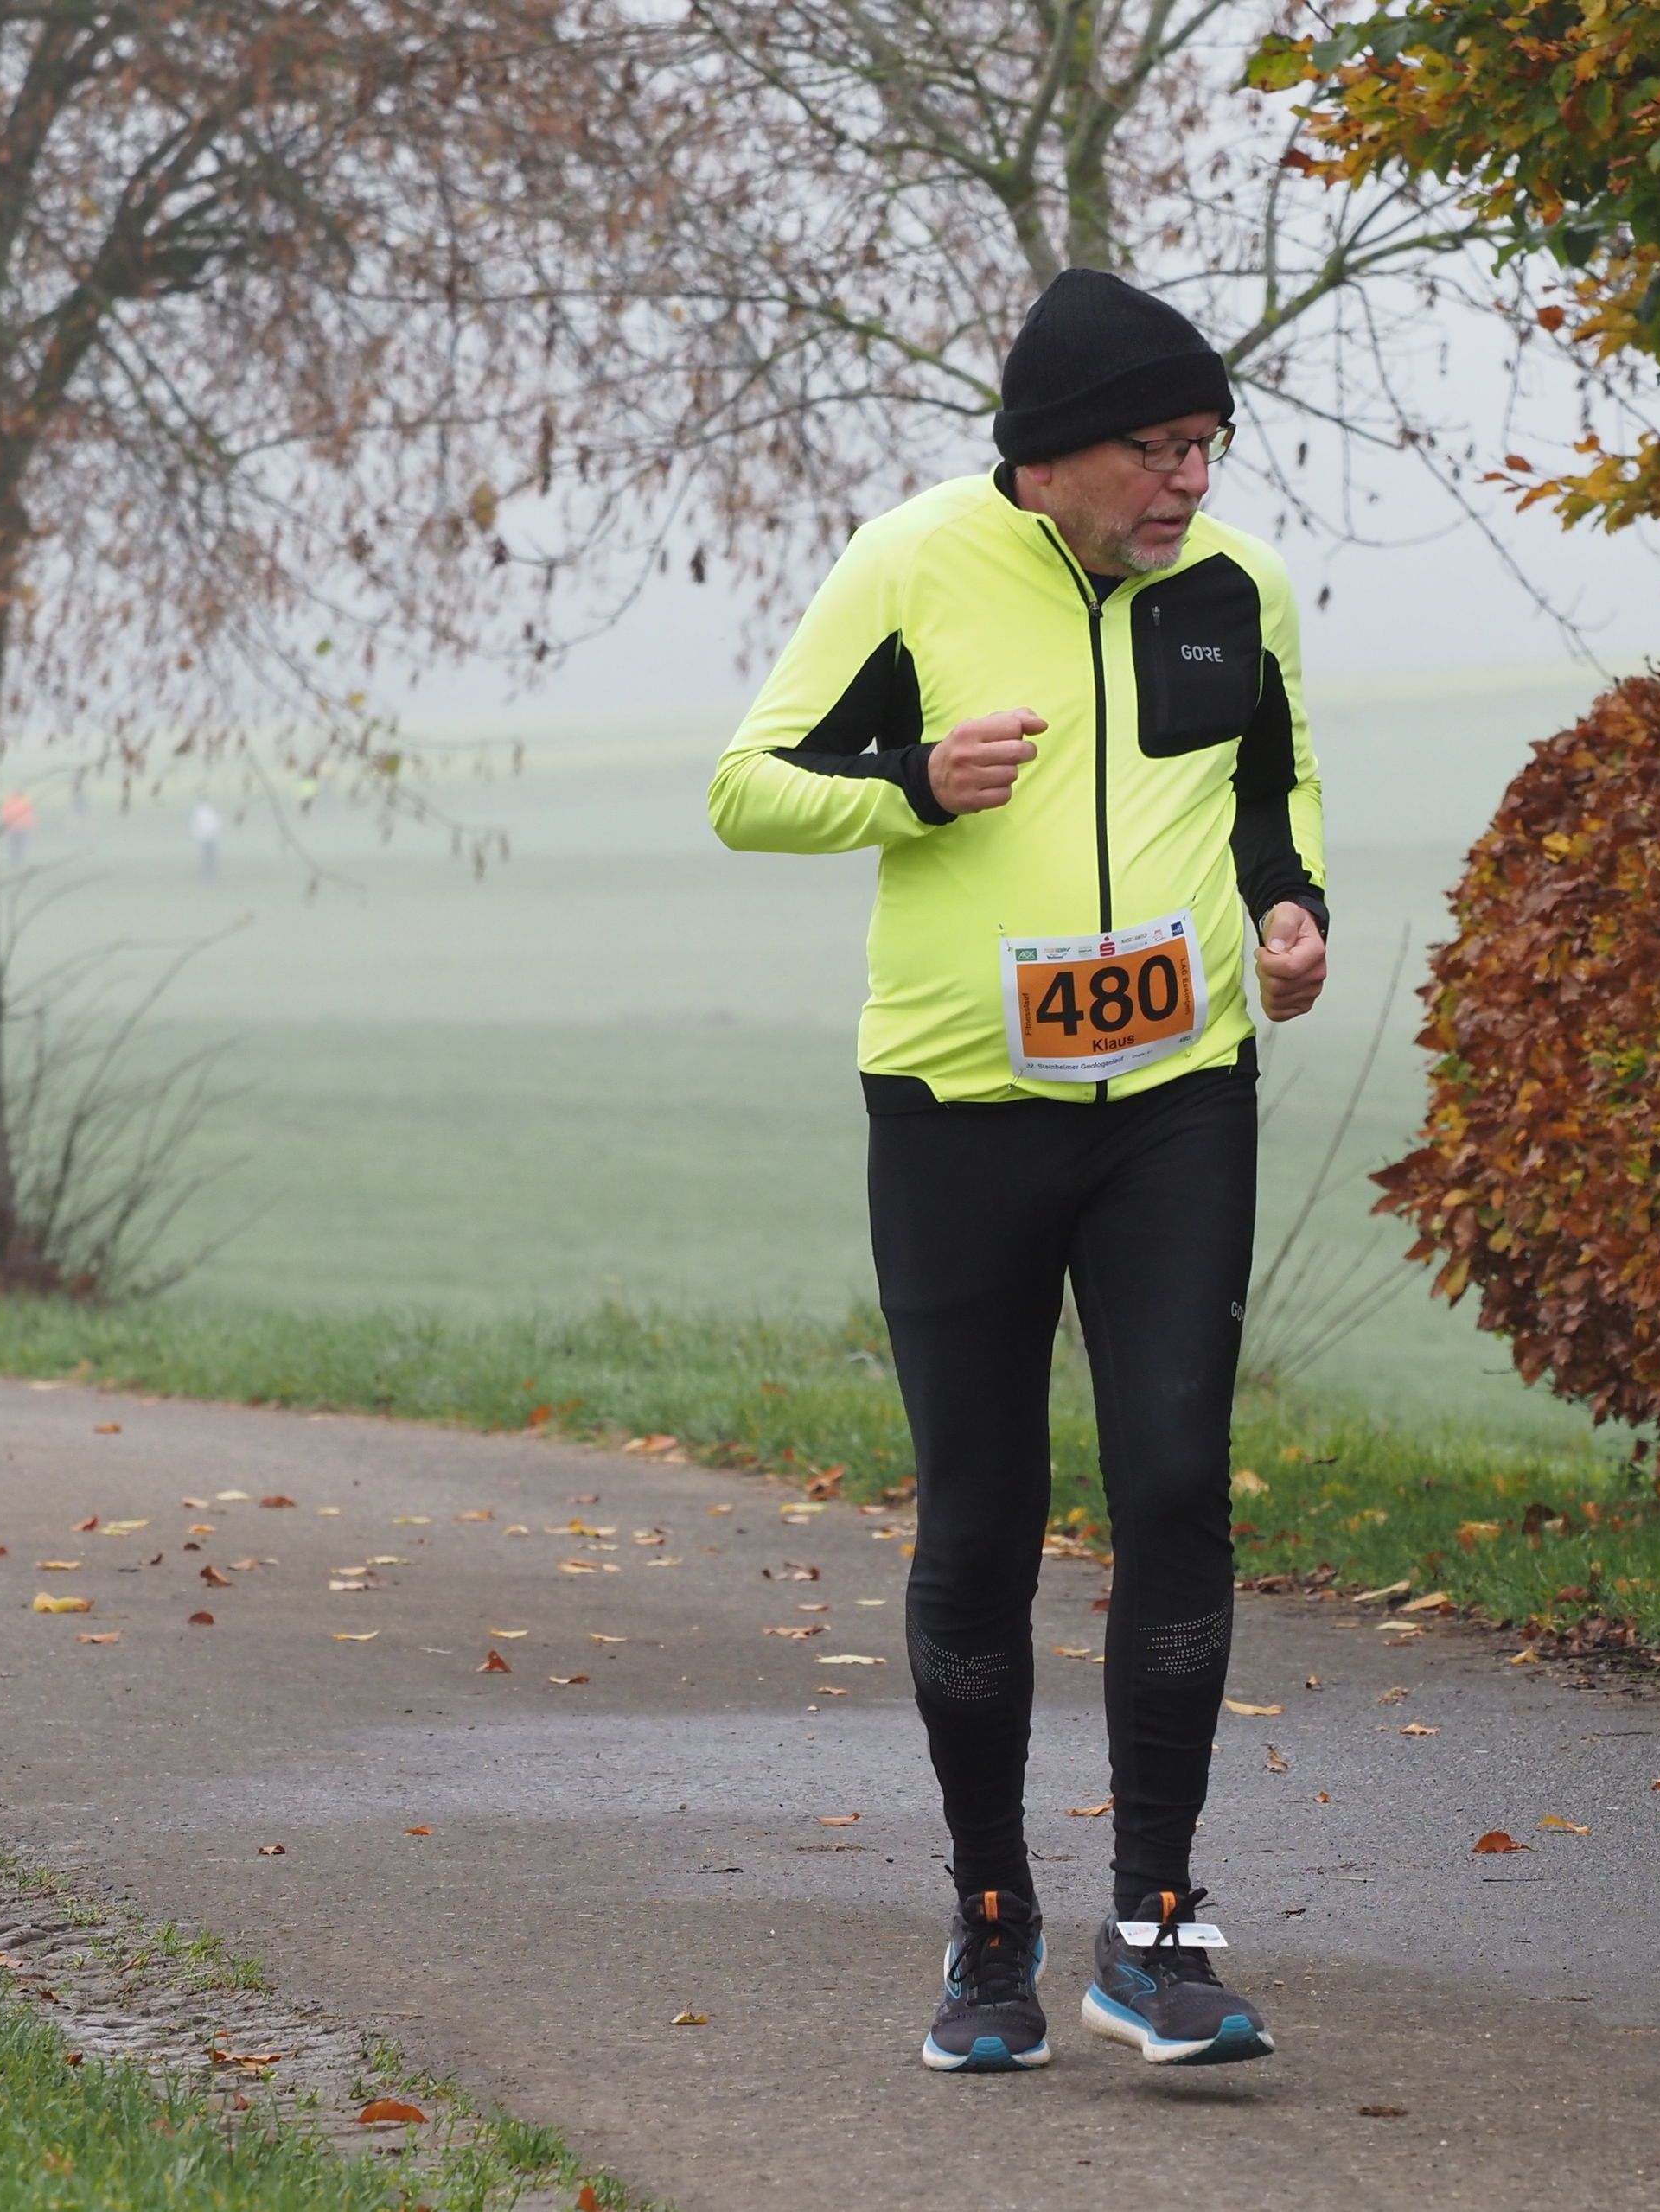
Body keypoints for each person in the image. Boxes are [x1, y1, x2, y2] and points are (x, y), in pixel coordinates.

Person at [708, 267, 1328, 2075]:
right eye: (1160, 448)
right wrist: (912, 780)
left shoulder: (1241, 590)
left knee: (1176, 1484)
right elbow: (748, 784)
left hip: (1176, 1098)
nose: (1191, 481)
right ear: (1051, 456)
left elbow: (1272, 795)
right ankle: (993, 1922)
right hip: (959, 1105)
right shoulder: (910, 566)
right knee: (980, 1522)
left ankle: (1156, 1927)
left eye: (1209, 445)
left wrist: (1291, 912)